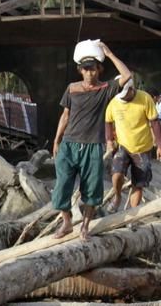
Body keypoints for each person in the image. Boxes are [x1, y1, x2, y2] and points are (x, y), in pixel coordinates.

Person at [51, 40, 132, 240]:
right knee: (61, 186)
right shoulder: (72, 88)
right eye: (86, 69)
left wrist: (109, 52)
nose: (90, 73)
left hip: (93, 146)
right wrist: (56, 139)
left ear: (99, 70)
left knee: (92, 189)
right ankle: (67, 221)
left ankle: (85, 226)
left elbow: (127, 75)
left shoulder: (106, 89)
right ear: (81, 70)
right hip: (69, 144)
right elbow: (65, 115)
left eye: (93, 69)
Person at [104, 79, 161, 211]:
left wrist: (160, 145)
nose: (124, 98)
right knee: (117, 173)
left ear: (132, 89)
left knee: (138, 183)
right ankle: (118, 196)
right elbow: (108, 121)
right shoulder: (114, 102)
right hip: (123, 146)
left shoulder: (145, 98)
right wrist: (109, 140)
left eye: (126, 94)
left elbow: (154, 122)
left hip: (142, 148)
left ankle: (133, 214)